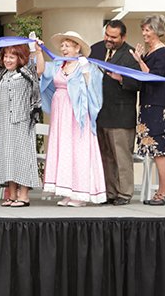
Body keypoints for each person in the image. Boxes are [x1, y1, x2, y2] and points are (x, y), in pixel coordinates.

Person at [35, 31, 106, 206]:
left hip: (77, 114)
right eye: (62, 45)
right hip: (61, 113)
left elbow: (95, 90)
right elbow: (41, 71)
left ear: (77, 48)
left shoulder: (86, 65)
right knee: (64, 149)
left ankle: (80, 193)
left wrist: (86, 71)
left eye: (67, 45)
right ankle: (67, 190)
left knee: (78, 149)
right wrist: (37, 51)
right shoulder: (59, 64)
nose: (63, 48)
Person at [0, 44, 41, 207]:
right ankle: (12, 194)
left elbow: (39, 69)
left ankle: (24, 196)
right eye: (6, 56)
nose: (7, 60)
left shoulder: (26, 73)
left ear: (20, 58)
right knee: (7, 157)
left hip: (21, 120)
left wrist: (38, 50)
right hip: (2, 121)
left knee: (22, 157)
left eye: (12, 57)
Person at [90, 20, 142, 206]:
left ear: (123, 37)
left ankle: (124, 193)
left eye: (113, 37)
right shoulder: (96, 49)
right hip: (100, 113)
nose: (109, 39)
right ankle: (109, 192)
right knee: (105, 156)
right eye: (107, 35)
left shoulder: (130, 55)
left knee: (121, 156)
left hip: (121, 115)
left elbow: (139, 84)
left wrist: (121, 79)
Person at [131, 14, 165, 206]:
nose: (144, 33)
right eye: (143, 29)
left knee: (158, 148)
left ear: (157, 31)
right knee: (152, 147)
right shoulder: (150, 53)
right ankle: (162, 190)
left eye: (148, 30)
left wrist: (139, 61)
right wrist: (140, 59)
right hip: (148, 103)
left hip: (158, 104)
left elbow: (154, 77)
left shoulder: (163, 53)